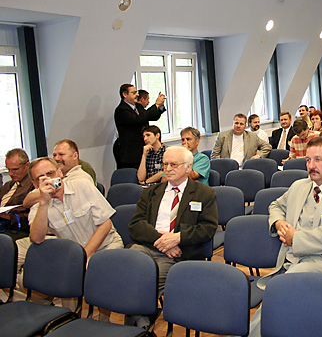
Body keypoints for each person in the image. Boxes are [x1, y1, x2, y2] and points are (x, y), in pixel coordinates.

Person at [248, 137, 322, 336]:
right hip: (296, 260)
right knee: (280, 299)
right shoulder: (300, 186)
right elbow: (276, 206)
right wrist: (279, 222)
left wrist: (295, 238)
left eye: (318, 160)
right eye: (308, 160)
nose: (311, 166)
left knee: (281, 291)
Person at [129, 146, 218, 295]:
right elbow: (135, 225)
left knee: (146, 283)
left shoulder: (204, 193)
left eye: (173, 164)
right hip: (148, 246)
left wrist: (178, 238)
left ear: (188, 167)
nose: (168, 169)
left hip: (178, 254)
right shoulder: (151, 192)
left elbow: (207, 229)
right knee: (125, 272)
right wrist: (162, 241)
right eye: (165, 164)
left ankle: (140, 309)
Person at [29, 157, 123, 256]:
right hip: (75, 255)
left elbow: (105, 224)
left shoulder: (82, 185)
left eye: (50, 173)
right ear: (35, 184)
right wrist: (43, 203)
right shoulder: (39, 205)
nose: (48, 180)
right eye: (41, 178)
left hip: (107, 246)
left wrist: (85, 256)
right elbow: (37, 239)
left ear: (60, 173)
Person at [22, 139, 97, 208]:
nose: (56, 158)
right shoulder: (56, 177)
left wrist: (45, 192)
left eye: (61, 154)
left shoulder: (82, 178)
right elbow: (26, 202)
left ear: (75, 156)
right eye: (54, 155)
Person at [114, 84, 166, 169]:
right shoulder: (121, 110)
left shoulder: (138, 106)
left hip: (141, 147)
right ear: (125, 94)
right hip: (130, 151)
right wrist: (156, 105)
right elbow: (138, 119)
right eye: (134, 93)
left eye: (137, 92)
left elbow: (150, 116)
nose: (137, 94)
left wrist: (160, 107)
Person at [1, 149, 34, 240]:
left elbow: (35, 216)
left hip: (18, 229)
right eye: (8, 169)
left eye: (15, 169)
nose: (11, 173)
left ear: (27, 165)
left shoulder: (34, 185)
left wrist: (9, 217)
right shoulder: (8, 186)